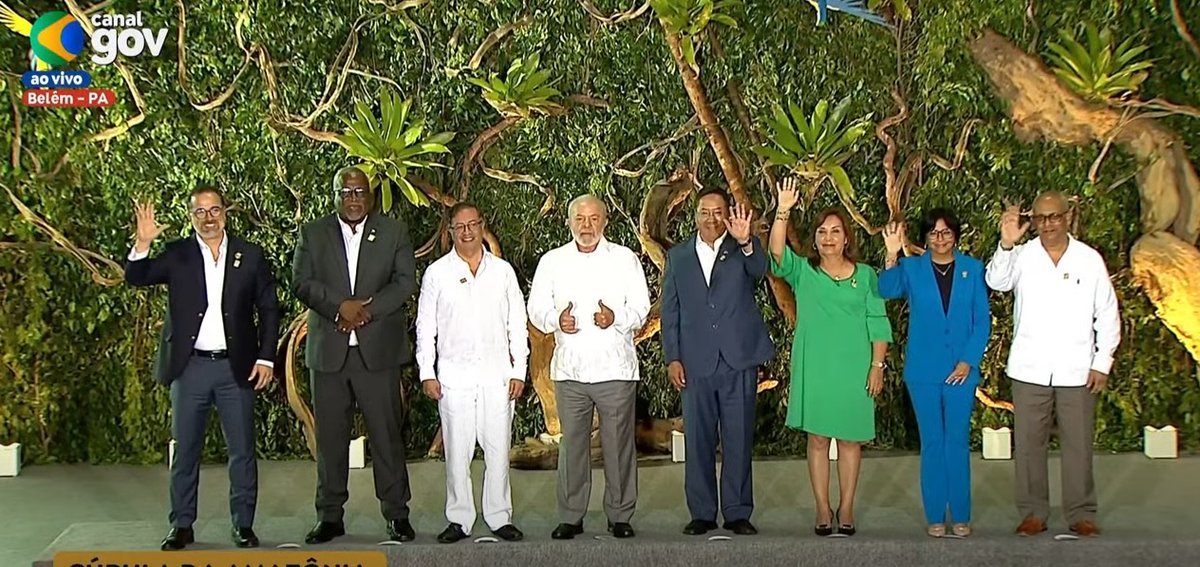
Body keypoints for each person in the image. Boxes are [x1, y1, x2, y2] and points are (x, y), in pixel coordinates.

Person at [124, 186, 279, 551]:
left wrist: (266, 357)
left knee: (242, 451)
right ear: (191, 216)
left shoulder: (250, 255)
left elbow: (269, 309)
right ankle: (181, 524)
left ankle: (243, 525)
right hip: (190, 368)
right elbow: (137, 276)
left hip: (236, 369)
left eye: (214, 210)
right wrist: (142, 244)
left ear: (226, 212)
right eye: (200, 212)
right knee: (186, 450)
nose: (208, 218)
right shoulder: (177, 254)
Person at [292, 166, 417, 544]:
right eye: (345, 192)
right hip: (329, 354)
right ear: (334, 196)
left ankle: (396, 514)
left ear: (371, 195)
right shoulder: (313, 234)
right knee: (330, 441)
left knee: (386, 437)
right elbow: (301, 281)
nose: (353, 198)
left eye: (359, 191)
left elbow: (405, 282)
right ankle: (329, 516)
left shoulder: (393, 231)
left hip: (376, 352)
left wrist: (365, 311)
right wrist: (338, 308)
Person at [985, 192, 1119, 538]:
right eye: (1041, 218)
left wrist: (1102, 361)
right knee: (1029, 445)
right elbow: (996, 282)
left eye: (1054, 216)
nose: (1047, 224)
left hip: (1077, 369)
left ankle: (1081, 514)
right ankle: (1033, 513)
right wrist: (1006, 243)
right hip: (1030, 368)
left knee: (1078, 444)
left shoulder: (1089, 260)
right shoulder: (1023, 256)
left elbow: (1106, 312)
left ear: (1067, 216)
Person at [768, 177, 892, 537]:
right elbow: (776, 253)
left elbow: (878, 322)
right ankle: (823, 507)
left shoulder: (867, 276)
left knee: (851, 440)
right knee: (819, 440)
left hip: (856, 369)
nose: (828, 237)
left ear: (846, 238)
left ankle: (847, 506)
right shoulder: (804, 273)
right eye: (822, 232)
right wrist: (783, 211)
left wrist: (877, 365)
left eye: (835, 231)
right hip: (816, 368)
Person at [527, 194, 651, 540]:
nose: (587, 226)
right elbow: (536, 308)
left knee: (618, 445)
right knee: (572, 447)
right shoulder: (552, 262)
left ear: (605, 221)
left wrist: (616, 318)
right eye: (580, 219)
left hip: (615, 369)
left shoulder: (624, 259)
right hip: (570, 372)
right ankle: (571, 515)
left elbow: (641, 308)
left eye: (593, 219)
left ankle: (620, 515)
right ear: (569, 222)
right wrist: (556, 320)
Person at [660, 188, 774, 536]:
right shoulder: (678, 256)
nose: (711, 218)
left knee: (738, 438)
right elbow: (671, 311)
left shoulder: (741, 248)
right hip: (695, 363)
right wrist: (672, 357)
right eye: (704, 212)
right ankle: (702, 513)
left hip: (738, 359)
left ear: (728, 215)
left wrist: (747, 241)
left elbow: (762, 269)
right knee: (697, 440)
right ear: (695, 215)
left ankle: (738, 512)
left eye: (718, 212)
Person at [415, 202, 528, 544]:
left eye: (472, 225)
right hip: (454, 380)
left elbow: (517, 325)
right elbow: (425, 327)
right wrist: (426, 372)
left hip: (497, 378)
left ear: (482, 226)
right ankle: (459, 519)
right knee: (457, 455)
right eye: (459, 226)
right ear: (450, 231)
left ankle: (499, 517)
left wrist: (519, 369)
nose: (467, 232)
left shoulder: (503, 272)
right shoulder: (437, 273)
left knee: (497, 452)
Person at [879, 209, 990, 538]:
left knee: (956, 441)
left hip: (962, 370)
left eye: (946, 232)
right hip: (923, 370)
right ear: (925, 237)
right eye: (934, 233)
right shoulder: (912, 268)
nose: (940, 238)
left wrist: (968, 360)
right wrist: (891, 252)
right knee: (932, 443)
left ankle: (961, 514)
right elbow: (886, 289)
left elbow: (982, 321)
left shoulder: (972, 268)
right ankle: (935, 515)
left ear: (955, 234)